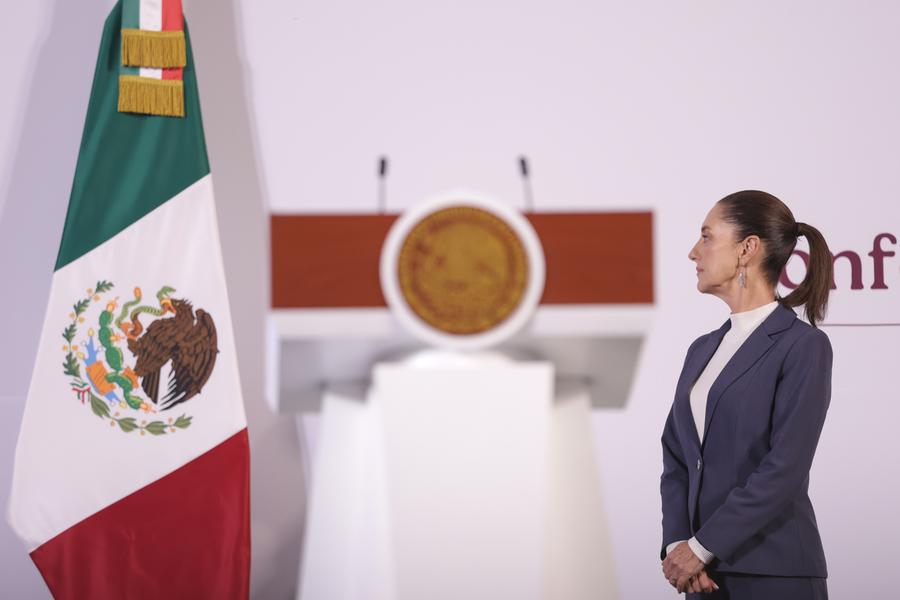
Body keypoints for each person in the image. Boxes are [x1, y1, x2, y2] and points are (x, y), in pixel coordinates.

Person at [659, 190, 834, 599]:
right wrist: (677, 546)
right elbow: (676, 457)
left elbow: (783, 469)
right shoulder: (701, 349)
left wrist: (702, 548)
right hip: (700, 579)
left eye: (706, 237)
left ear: (747, 249)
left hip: (775, 575)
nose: (692, 253)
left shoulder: (803, 346)